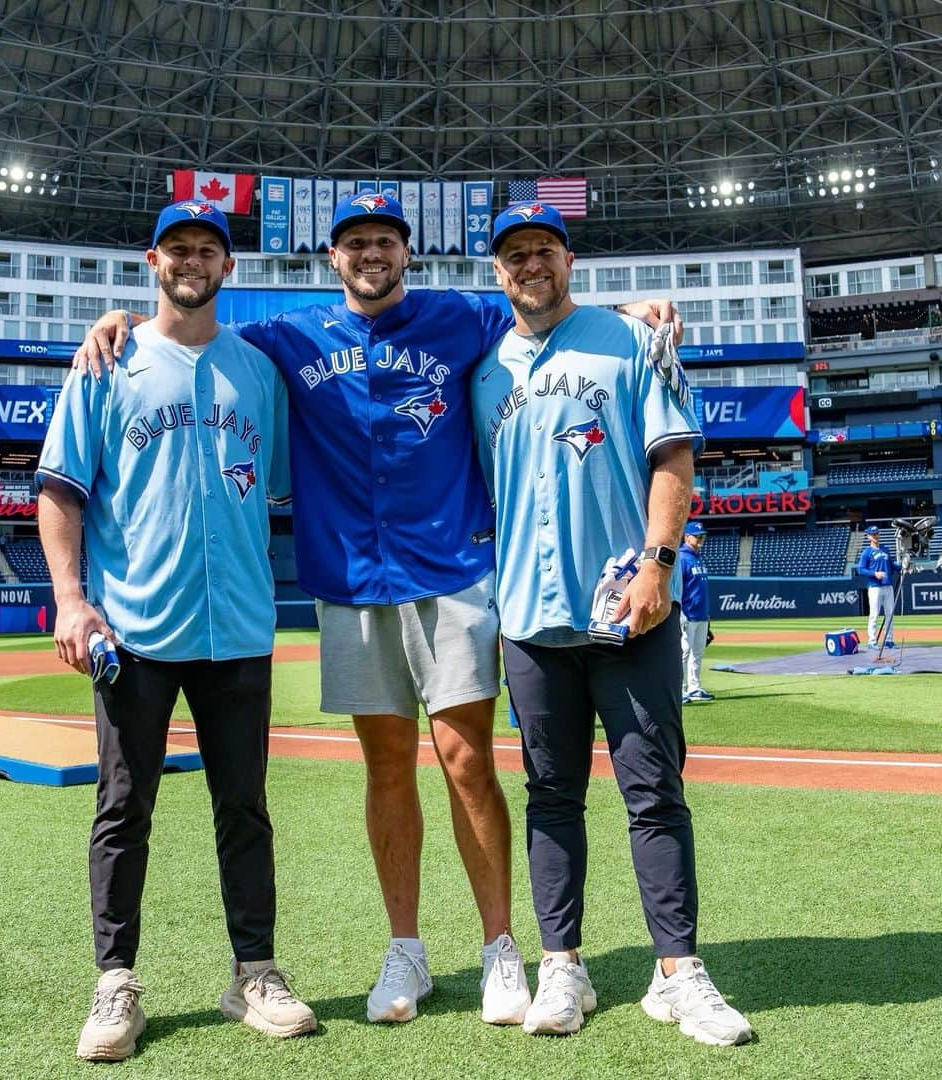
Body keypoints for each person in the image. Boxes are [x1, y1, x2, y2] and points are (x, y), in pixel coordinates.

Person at [75, 190, 681, 1026]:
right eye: (355, 241)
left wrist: (628, 311)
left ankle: (502, 948)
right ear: (333, 257)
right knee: (387, 767)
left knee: (468, 761)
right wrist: (117, 319)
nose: (371, 252)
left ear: (407, 252)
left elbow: (544, 304)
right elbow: (189, 335)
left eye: (385, 240)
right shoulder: (285, 340)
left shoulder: (460, 318)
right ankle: (407, 951)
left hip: (451, 573)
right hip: (352, 581)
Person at [38, 201, 315, 1061]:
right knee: (124, 808)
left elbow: (272, 481)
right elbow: (58, 490)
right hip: (136, 628)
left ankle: (254, 973)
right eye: (179, 248)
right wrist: (70, 599)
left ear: (227, 268)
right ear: (153, 259)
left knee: (245, 807)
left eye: (209, 250)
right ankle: (115, 981)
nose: (193, 261)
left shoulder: (259, 371)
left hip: (236, 623)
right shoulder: (106, 361)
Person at [470, 202, 752, 1046]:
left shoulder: (632, 340)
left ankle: (678, 973)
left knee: (653, 792)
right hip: (528, 616)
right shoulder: (482, 369)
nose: (531, 265)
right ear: (498, 272)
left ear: (569, 259)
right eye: (515, 255)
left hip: (629, 610)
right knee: (550, 796)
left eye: (545, 250)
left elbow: (673, 455)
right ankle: (563, 965)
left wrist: (660, 563)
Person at [679, 521, 714, 702]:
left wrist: (707, 614)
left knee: (698, 652)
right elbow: (678, 588)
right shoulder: (682, 558)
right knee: (684, 652)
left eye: (703, 536)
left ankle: (694, 687)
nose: (701, 539)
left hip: (701, 614)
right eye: (697, 536)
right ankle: (681, 690)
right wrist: (680, 613)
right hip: (687, 613)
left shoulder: (698, 557)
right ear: (687, 537)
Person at [857, 525, 897, 648]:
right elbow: (860, 569)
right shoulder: (866, 552)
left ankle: (889, 640)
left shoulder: (885, 549)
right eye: (873, 534)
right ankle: (872, 641)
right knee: (874, 614)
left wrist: (903, 566)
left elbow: (892, 566)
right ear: (869, 536)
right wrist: (875, 573)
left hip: (888, 585)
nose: (876, 536)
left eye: (877, 533)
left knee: (890, 614)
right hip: (875, 587)